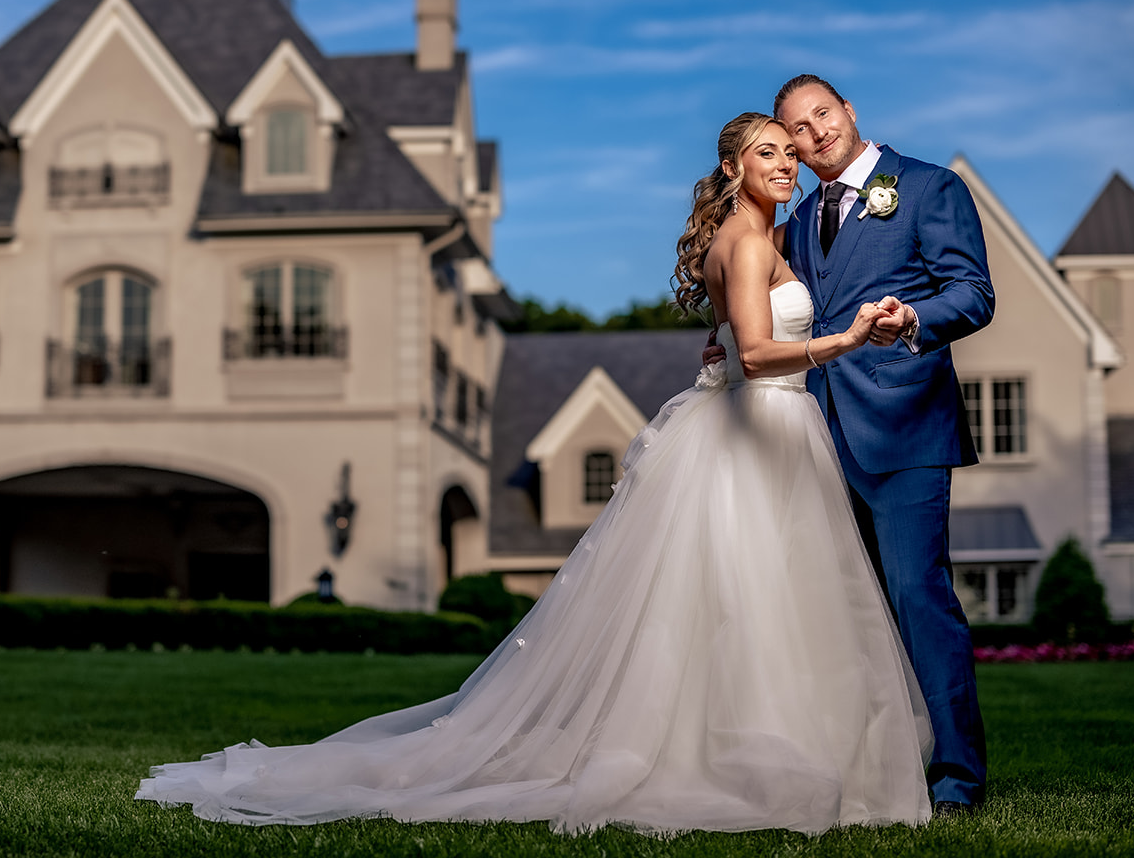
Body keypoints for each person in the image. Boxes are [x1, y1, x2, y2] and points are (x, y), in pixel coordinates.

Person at [136, 113, 934, 836]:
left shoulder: (755, 238)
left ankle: (756, 748)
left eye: (792, 155)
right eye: (769, 154)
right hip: (760, 424)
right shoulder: (753, 241)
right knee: (757, 599)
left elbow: (733, 345)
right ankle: (757, 759)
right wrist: (847, 338)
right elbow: (760, 355)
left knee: (754, 605)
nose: (788, 165)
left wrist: (734, 353)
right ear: (733, 168)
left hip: (762, 428)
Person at [760, 74, 993, 816]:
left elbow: (973, 292)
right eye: (797, 127)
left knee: (917, 601)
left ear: (849, 111)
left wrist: (913, 320)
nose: (815, 132)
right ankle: (870, 769)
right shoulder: (793, 225)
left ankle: (955, 778)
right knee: (844, 612)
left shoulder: (927, 188)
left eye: (822, 114)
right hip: (816, 437)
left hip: (904, 429)